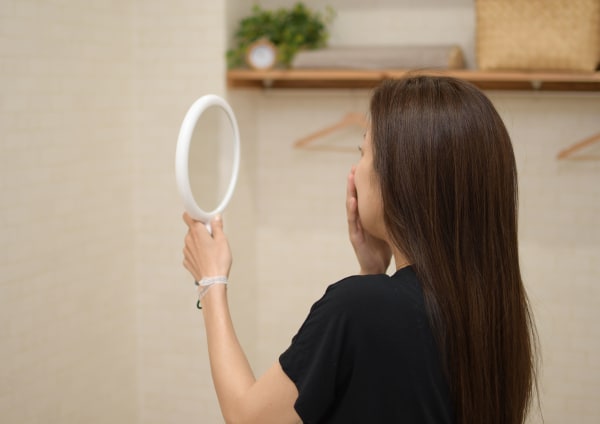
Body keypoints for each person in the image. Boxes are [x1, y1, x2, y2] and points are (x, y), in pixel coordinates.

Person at [182, 75, 538, 424]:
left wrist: (211, 281)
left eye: (363, 152)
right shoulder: (492, 310)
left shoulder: (357, 307)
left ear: (400, 179)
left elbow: (247, 418)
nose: (355, 170)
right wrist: (374, 273)